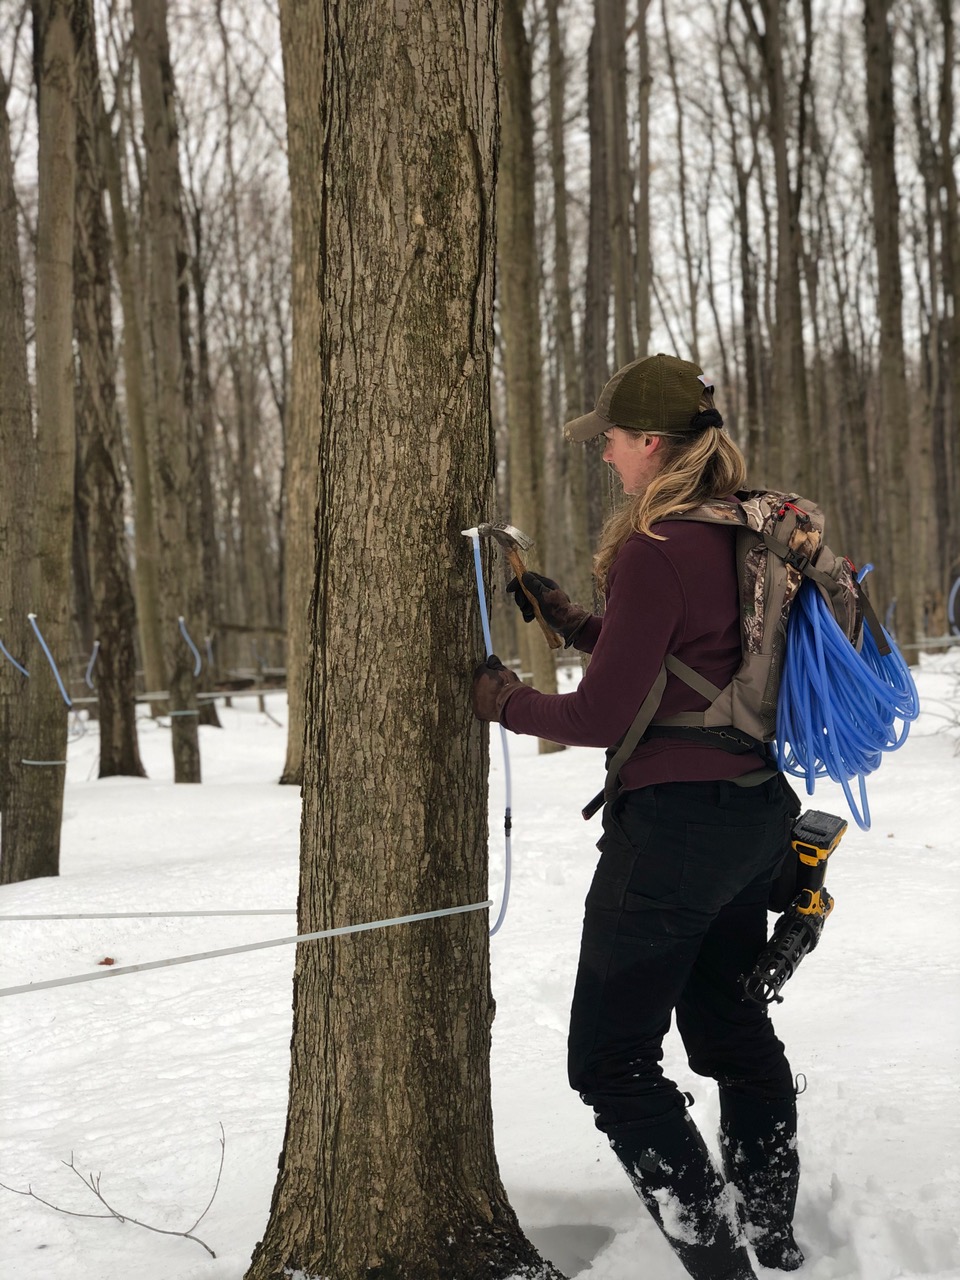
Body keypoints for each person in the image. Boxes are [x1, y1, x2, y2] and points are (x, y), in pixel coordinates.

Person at [471, 353, 804, 1280]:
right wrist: (573, 621)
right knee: (733, 1035)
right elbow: (688, 659)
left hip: (674, 834)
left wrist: (498, 700)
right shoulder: (742, 534)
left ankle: (719, 1265)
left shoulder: (658, 549)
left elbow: (598, 716)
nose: (605, 456)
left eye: (611, 441)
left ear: (652, 445)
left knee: (610, 1064)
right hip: (754, 818)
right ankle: (772, 1237)